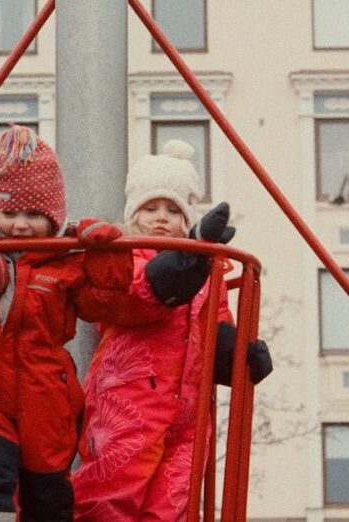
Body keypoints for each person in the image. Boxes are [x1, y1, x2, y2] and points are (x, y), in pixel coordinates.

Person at [0, 125, 133, 522]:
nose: (19, 225)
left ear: (53, 217)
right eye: (10, 212)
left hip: (45, 395)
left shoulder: (64, 261)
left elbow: (103, 302)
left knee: (48, 496)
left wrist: (107, 251)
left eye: (34, 214)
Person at [72, 140, 272, 521]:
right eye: (149, 208)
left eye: (172, 210)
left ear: (186, 219)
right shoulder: (123, 257)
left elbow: (214, 326)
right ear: (132, 216)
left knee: (172, 505)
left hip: (188, 414)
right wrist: (189, 257)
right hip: (128, 404)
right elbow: (135, 300)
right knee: (110, 496)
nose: (160, 218)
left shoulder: (205, 274)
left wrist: (237, 358)